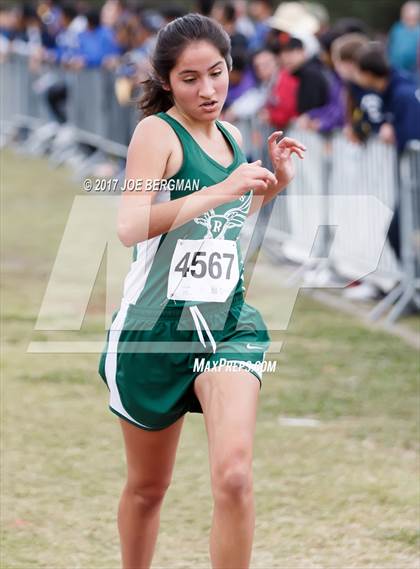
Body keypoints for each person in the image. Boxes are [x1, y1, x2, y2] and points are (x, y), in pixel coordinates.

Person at [98, 13, 305, 569]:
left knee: (235, 477)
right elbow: (130, 226)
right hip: (155, 330)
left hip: (225, 326)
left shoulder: (233, 135)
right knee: (148, 489)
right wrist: (223, 188)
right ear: (167, 81)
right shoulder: (156, 133)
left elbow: (227, 221)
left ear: (231, 67)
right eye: (190, 78)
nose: (208, 89)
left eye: (217, 73)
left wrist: (270, 187)